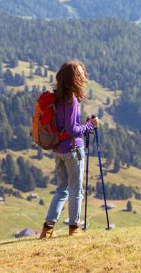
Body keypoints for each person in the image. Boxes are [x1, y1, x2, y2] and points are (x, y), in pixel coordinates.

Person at [40, 59, 98, 238]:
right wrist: (90, 125)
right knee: (75, 189)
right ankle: (74, 228)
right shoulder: (71, 101)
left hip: (58, 149)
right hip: (73, 150)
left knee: (62, 188)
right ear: (75, 79)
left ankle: (48, 228)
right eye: (80, 75)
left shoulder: (55, 98)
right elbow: (73, 129)